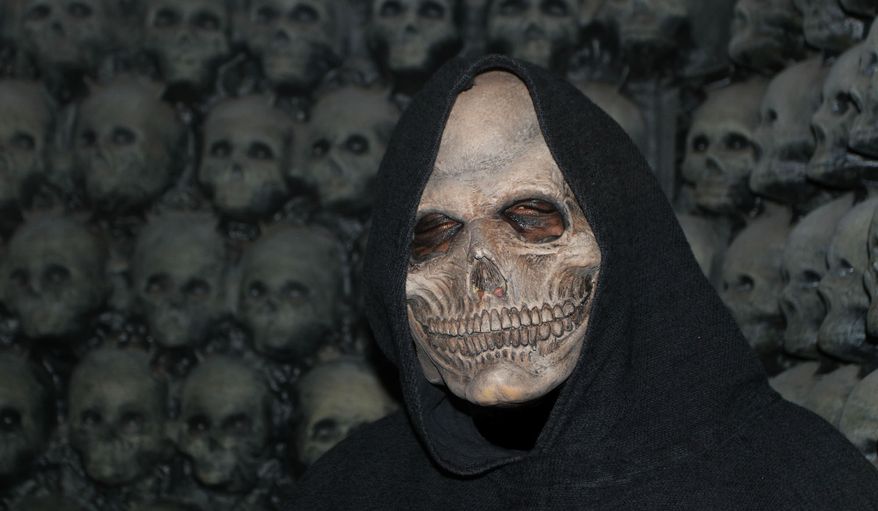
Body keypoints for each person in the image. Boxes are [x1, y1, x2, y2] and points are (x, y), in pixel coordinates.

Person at [287, 54, 878, 509]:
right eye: (433, 236)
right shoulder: (350, 491)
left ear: (624, 240)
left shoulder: (799, 485)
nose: (483, 275)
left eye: (531, 218)